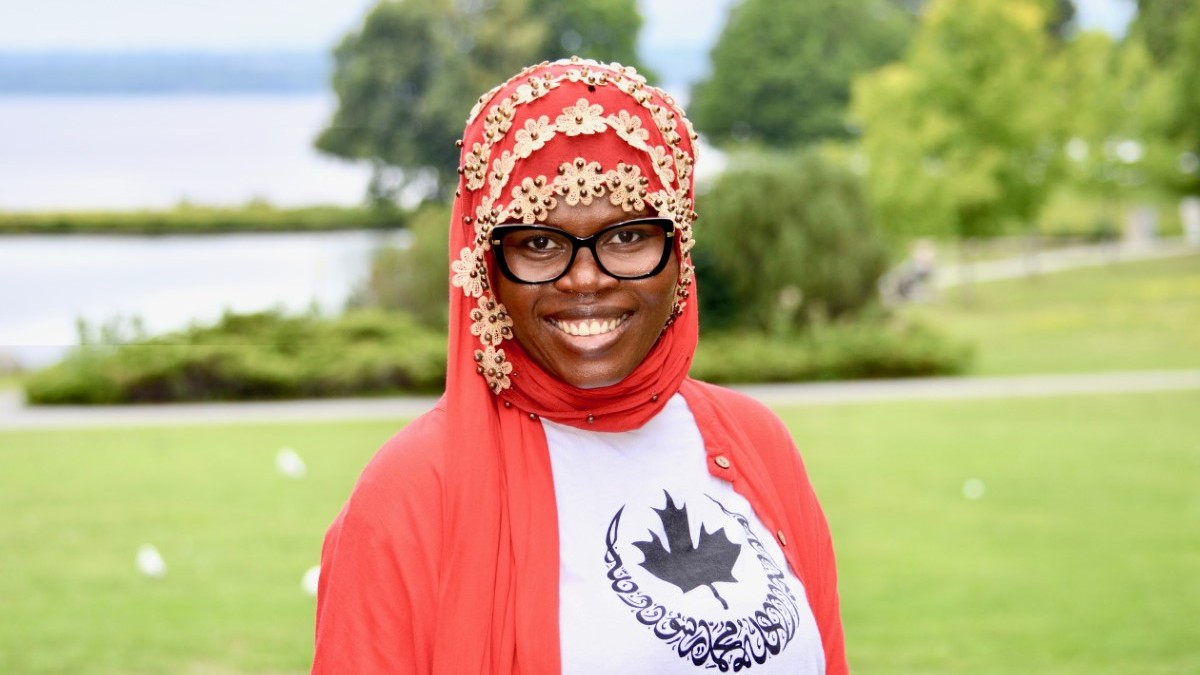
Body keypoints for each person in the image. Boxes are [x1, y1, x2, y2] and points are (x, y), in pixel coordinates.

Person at [312, 57, 847, 674]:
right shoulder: (413, 492)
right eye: (539, 243)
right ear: (487, 270)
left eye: (627, 236)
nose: (586, 277)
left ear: (680, 252)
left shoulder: (755, 441)